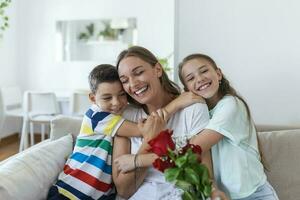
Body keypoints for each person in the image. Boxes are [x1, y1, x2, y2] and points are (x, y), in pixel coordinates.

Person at [112, 46, 224, 200]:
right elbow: (124, 191)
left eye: (138, 73)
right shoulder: (126, 116)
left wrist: (212, 192)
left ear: (157, 69)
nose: (133, 84)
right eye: (124, 80)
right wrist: (150, 138)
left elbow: (203, 172)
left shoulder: (193, 107)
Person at [177, 53, 279, 200]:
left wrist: (173, 106)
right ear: (186, 90)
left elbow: (194, 148)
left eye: (204, 71)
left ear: (218, 74)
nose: (200, 79)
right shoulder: (200, 115)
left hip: (255, 194)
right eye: (191, 78)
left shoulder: (231, 105)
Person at [48, 64, 148, 200]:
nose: (116, 103)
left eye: (121, 95)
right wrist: (176, 104)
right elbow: (142, 130)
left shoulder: (118, 116)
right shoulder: (96, 116)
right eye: (107, 98)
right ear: (93, 98)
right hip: (69, 191)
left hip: (101, 195)